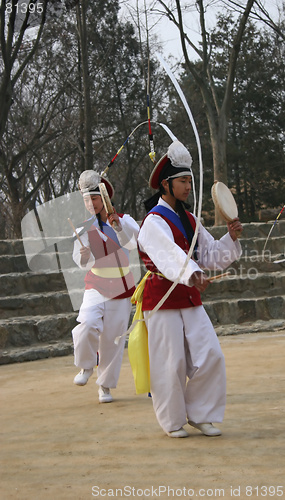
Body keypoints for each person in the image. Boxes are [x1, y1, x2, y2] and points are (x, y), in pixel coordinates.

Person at [137, 140, 243, 437]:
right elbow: (167, 255)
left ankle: (201, 413)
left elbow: (209, 256)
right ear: (165, 185)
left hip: (189, 296)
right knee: (170, 362)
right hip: (162, 299)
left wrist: (230, 238)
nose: (188, 186)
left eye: (189, 181)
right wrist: (193, 275)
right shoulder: (152, 222)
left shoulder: (190, 219)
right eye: (182, 181)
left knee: (210, 354)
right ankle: (172, 421)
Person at [72, 170, 139, 403]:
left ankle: (105, 386)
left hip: (121, 287)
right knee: (87, 323)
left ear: (105, 197)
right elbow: (81, 264)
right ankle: (86, 365)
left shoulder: (125, 220)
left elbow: (134, 242)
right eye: (86, 200)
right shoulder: (83, 228)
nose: (90, 204)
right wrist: (84, 255)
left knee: (113, 339)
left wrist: (118, 227)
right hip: (96, 285)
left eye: (94, 198)